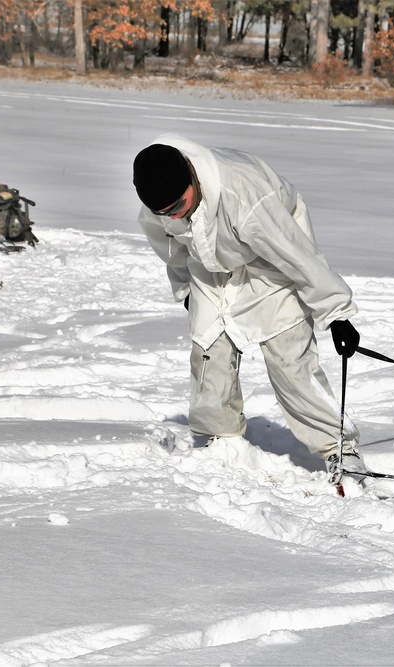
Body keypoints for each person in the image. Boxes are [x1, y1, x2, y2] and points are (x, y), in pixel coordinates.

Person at [133, 135, 365, 486]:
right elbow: (170, 249)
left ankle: (340, 450)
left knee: (291, 363)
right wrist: (184, 289)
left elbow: (297, 256)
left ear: (192, 179)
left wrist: (336, 313)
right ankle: (221, 442)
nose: (172, 215)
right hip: (210, 268)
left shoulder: (245, 195)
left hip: (269, 264)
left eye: (178, 205)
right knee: (209, 353)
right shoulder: (162, 205)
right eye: (163, 212)